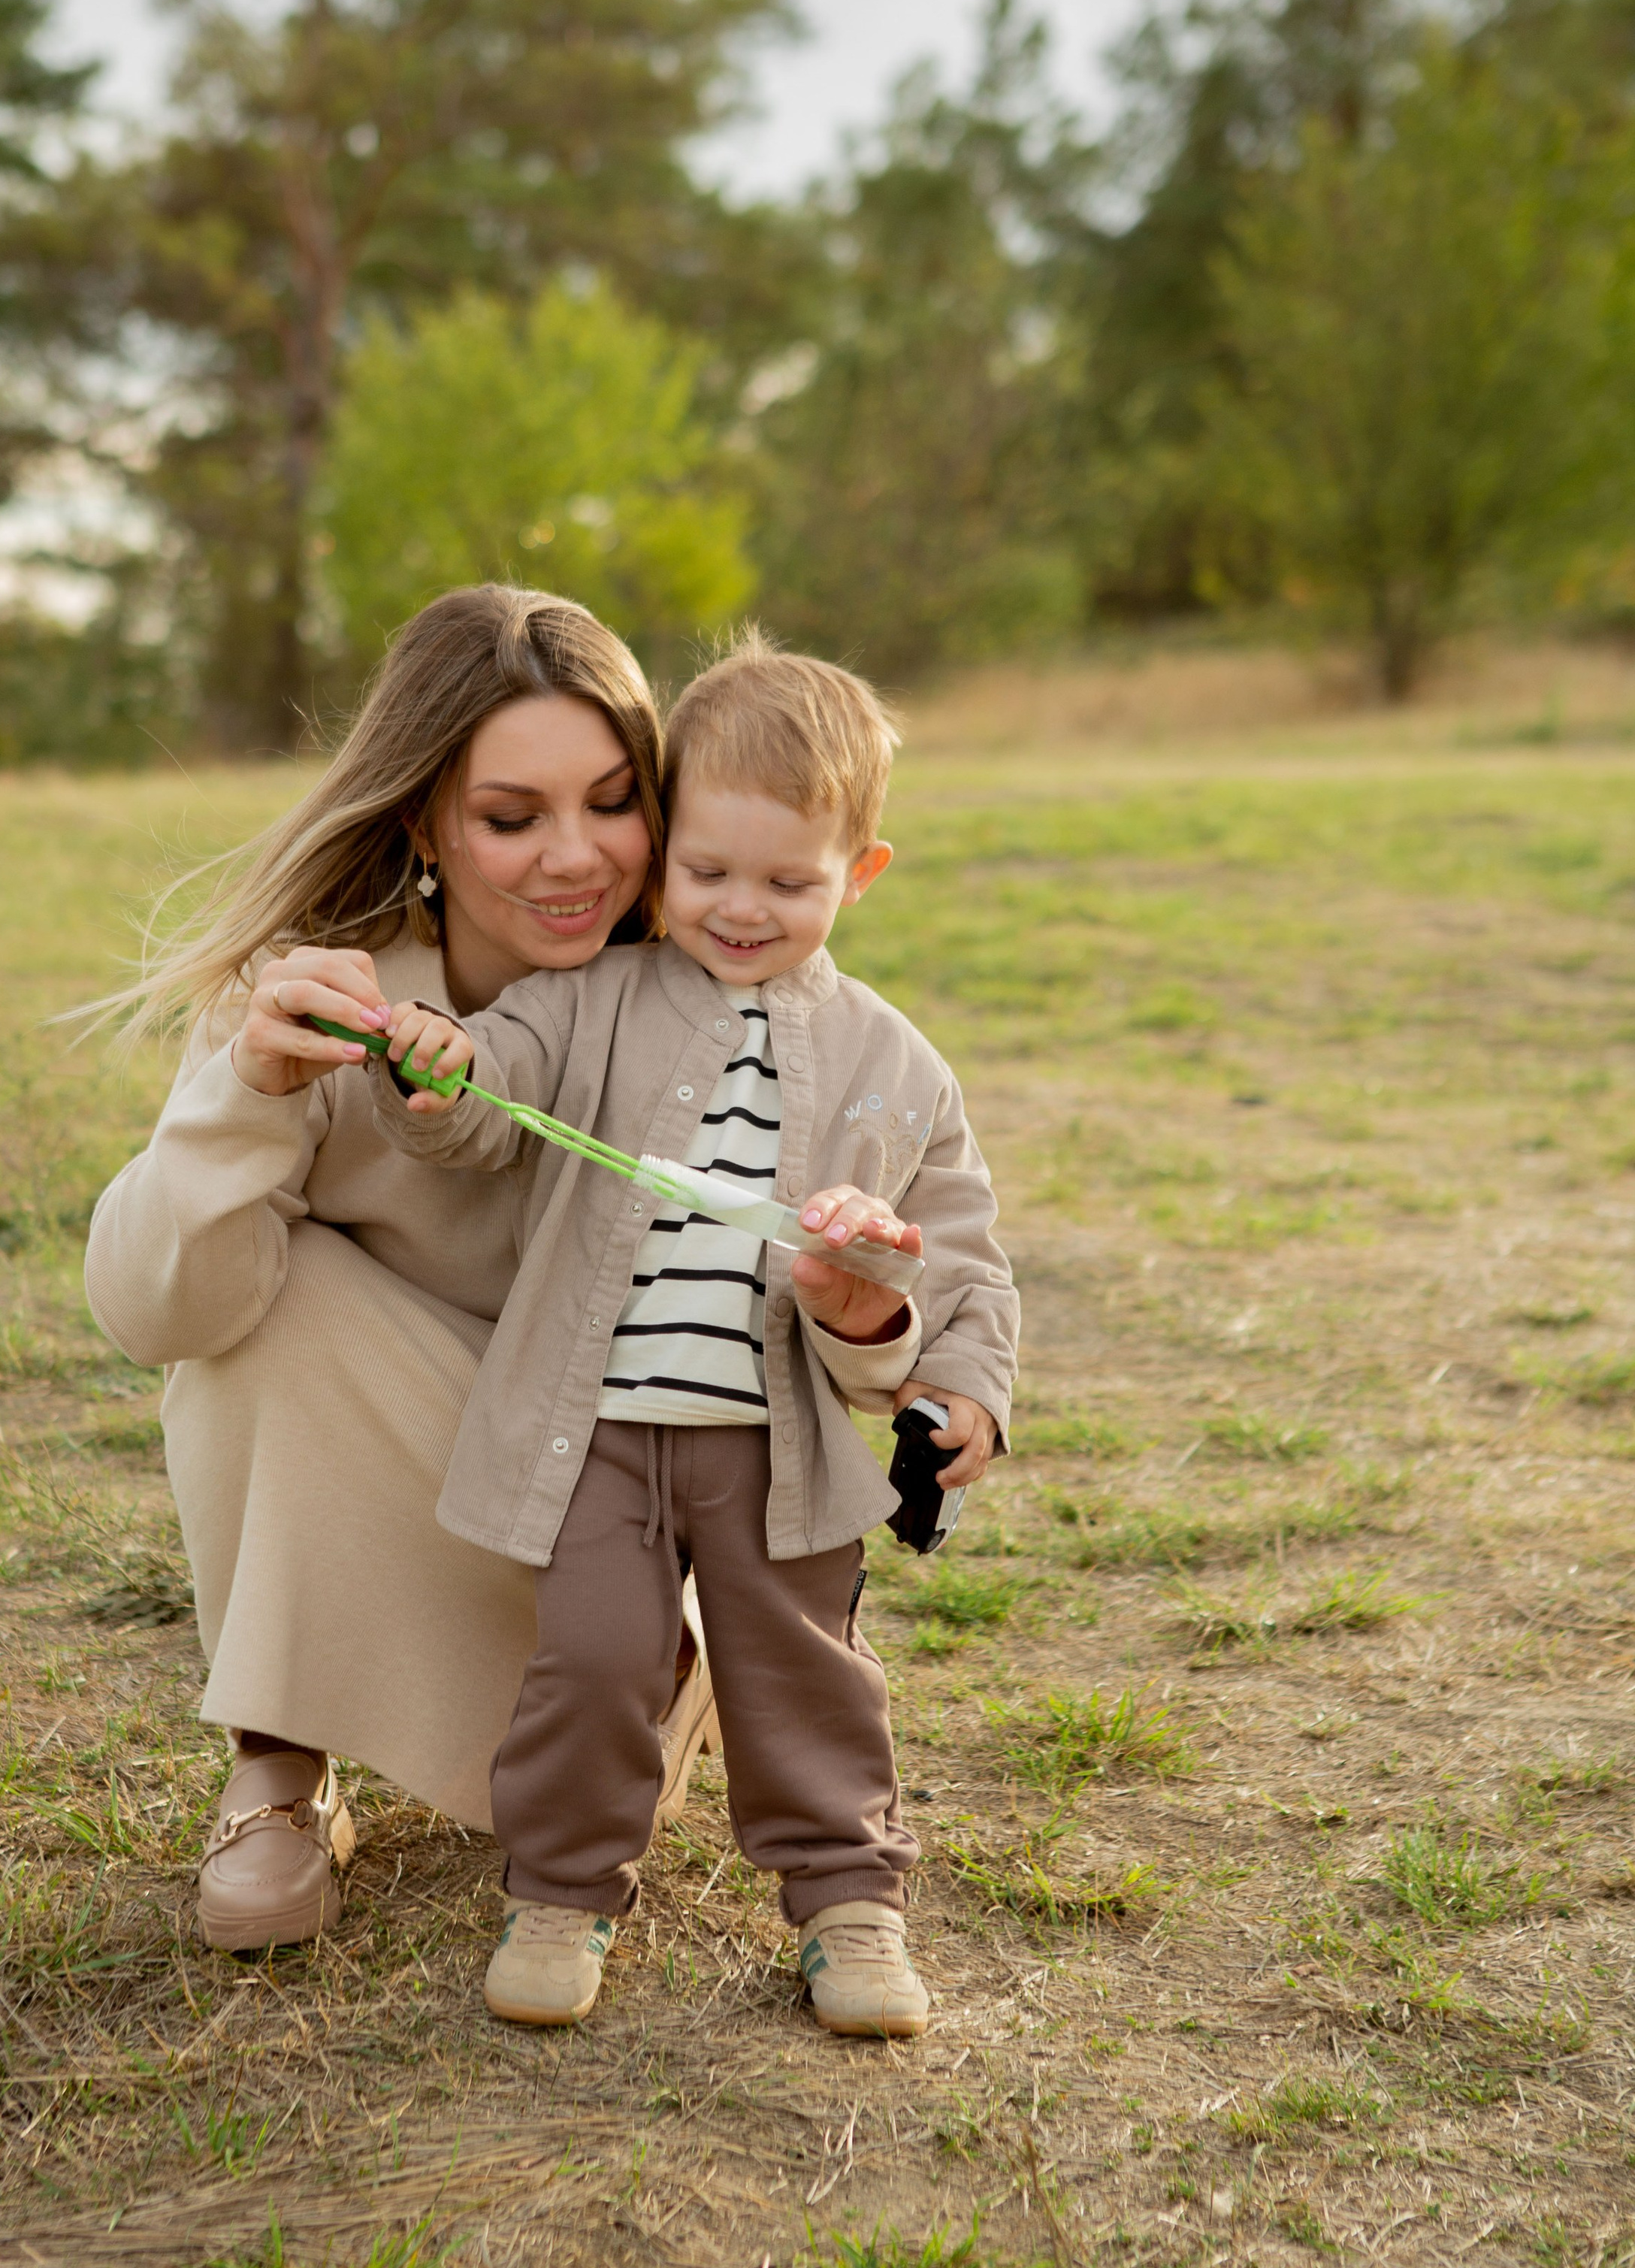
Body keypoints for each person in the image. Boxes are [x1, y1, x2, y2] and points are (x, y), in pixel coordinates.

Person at [344, 634, 1019, 2040]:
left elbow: (961, 1247)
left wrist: (960, 1385)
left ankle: (850, 1903)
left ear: (861, 873)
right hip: (597, 1439)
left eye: (789, 882)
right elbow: (490, 1098)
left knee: (804, 1670)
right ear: (663, 855)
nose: (742, 908)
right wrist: (444, 1068)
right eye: (707, 872)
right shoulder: (586, 1005)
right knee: (591, 1657)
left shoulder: (898, 1064)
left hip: (778, 1455)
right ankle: (563, 1887)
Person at [83, 585, 716, 1955]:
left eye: (615, 802)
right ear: (425, 820)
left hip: (608, 1540)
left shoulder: (707, 1004)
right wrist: (246, 1092)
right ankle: (279, 1761)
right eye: (512, 816)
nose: (577, 858)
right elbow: (154, 1313)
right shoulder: (319, 993)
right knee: (261, 1295)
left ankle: (655, 1684)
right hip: (407, 1471)